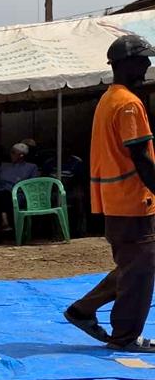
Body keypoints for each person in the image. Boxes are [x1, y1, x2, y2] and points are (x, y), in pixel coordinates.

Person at [66, 35, 155, 352]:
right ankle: (125, 337)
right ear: (126, 64)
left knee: (135, 264)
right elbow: (141, 158)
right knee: (141, 270)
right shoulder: (129, 105)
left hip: (116, 200)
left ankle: (83, 309)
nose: (147, 65)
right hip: (132, 200)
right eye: (143, 60)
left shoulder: (109, 99)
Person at [0, 142, 40, 235]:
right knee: (2, 196)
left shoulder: (31, 167)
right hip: (1, 193)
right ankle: (5, 222)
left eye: (13, 152)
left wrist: (19, 189)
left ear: (21, 155)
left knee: (2, 197)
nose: (10, 154)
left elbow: (32, 184)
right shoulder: (4, 166)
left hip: (18, 195)